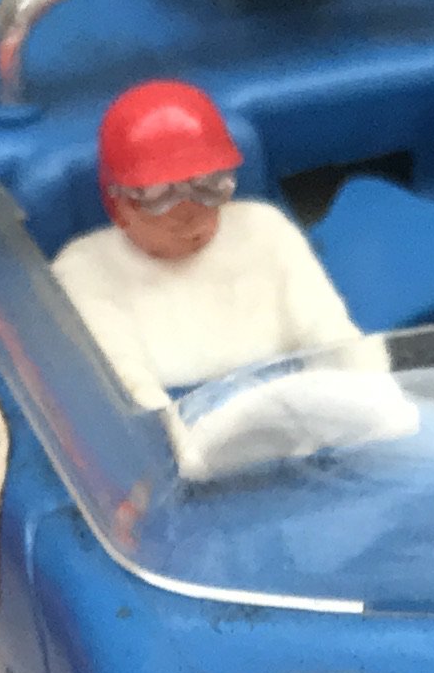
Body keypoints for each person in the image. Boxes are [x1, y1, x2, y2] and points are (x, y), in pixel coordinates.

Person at [48, 80, 414, 477]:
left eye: (209, 185)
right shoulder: (87, 271)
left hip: (315, 421)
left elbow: (329, 330)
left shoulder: (263, 229)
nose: (189, 212)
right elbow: (126, 386)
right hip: (187, 455)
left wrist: (379, 406)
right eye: (160, 195)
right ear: (118, 205)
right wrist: (184, 456)